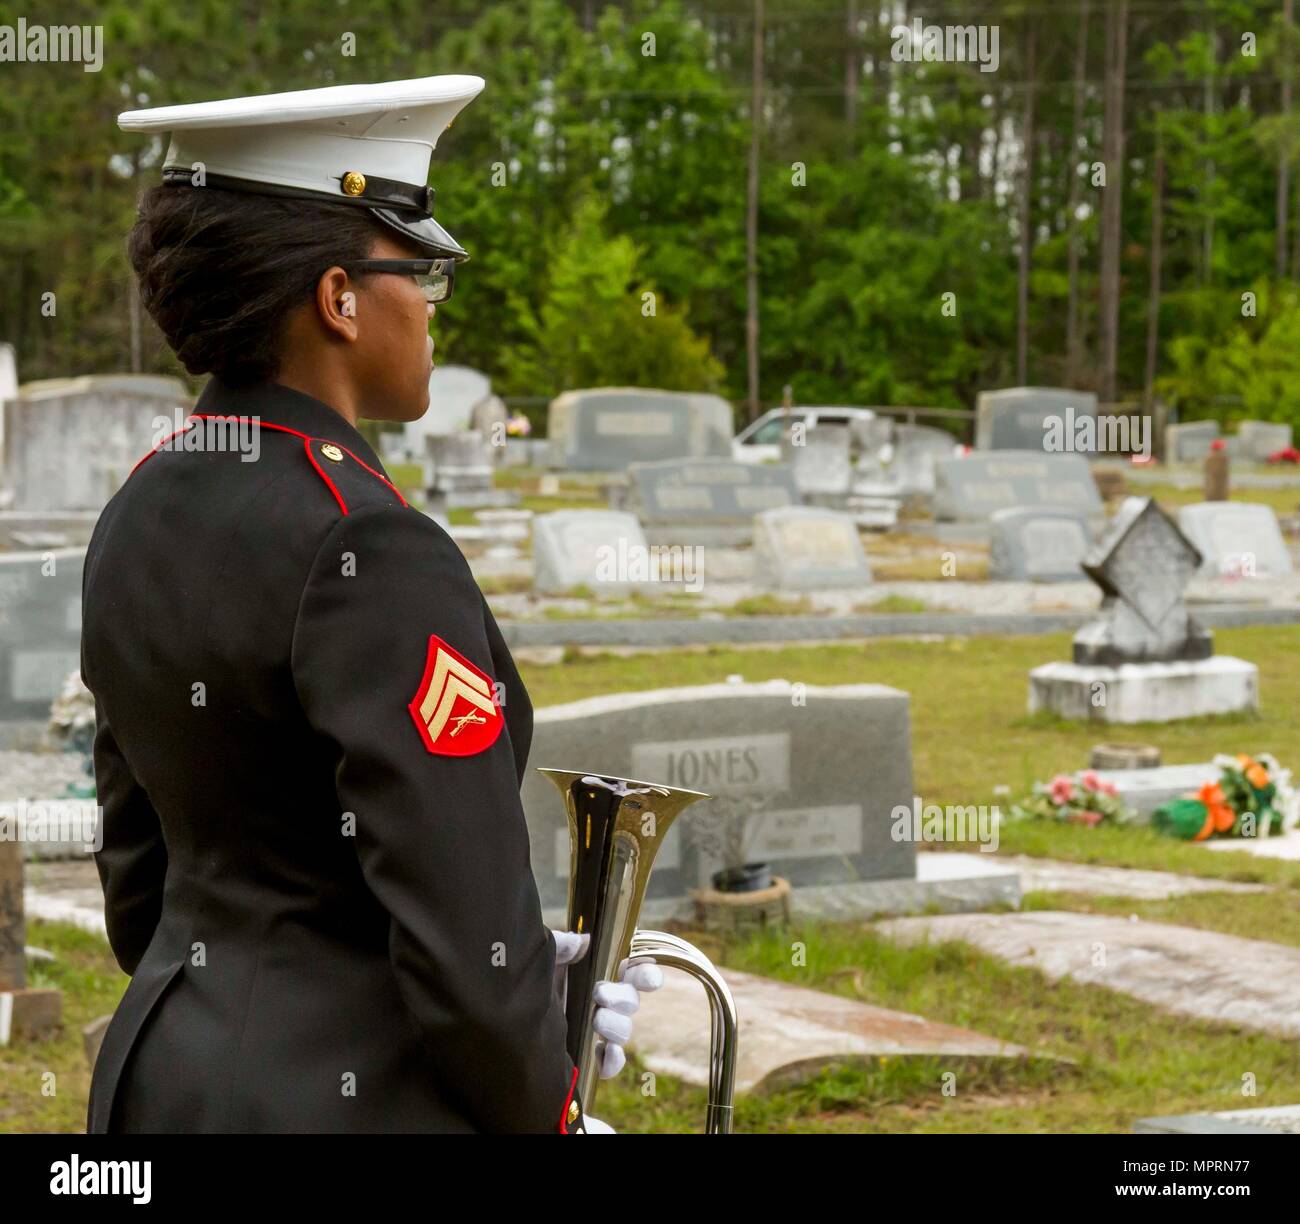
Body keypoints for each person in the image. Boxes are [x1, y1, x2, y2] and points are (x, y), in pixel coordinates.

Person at [84, 74, 658, 1134]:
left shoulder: (141, 504)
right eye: (424, 272)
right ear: (339, 297)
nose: (435, 306)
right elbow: (459, 935)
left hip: (166, 1078)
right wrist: (552, 1097)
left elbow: (139, 886)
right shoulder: (370, 541)